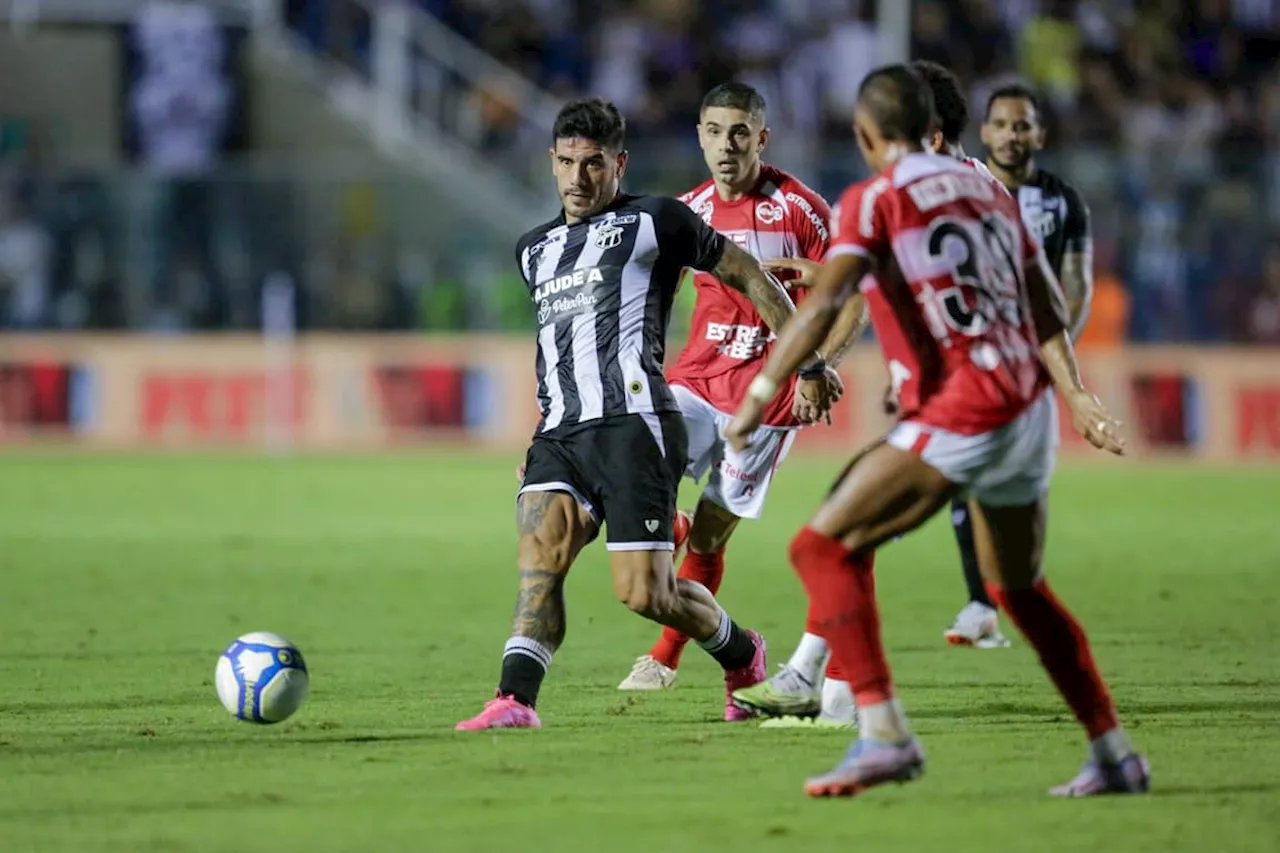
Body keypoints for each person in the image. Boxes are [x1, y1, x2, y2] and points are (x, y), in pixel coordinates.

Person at [723, 64, 1149, 798]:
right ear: (936, 128)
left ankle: (879, 732)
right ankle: (1113, 753)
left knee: (820, 545)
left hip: (966, 408)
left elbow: (825, 304)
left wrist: (759, 392)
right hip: (1027, 407)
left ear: (865, 135)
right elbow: (1044, 298)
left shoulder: (876, 197)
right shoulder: (988, 187)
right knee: (1019, 589)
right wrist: (1074, 392)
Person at [456, 98, 830, 730]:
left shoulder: (658, 220)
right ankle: (514, 701)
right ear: (551, 162)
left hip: (637, 427)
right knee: (539, 560)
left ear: (619, 164)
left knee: (643, 595)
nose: (578, 179)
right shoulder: (532, 249)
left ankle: (743, 652)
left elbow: (750, 276)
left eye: (593, 164)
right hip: (560, 433)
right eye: (568, 163)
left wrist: (810, 363)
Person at [731, 59, 1012, 723]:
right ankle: (822, 685)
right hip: (992, 402)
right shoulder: (988, 192)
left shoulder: (891, 193)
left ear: (927, 132)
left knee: (836, 534)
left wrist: (786, 376)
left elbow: (857, 289)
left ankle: (842, 699)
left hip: (954, 408)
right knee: (855, 534)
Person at [614, 82, 864, 725]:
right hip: (696, 382)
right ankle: (675, 624)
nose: (726, 145)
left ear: (761, 137)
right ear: (698, 135)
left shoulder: (801, 208)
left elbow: (852, 300)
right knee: (640, 486)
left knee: (711, 530)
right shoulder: (687, 210)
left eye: (740, 132)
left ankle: (666, 655)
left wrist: (819, 371)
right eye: (714, 131)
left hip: (771, 392)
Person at [939, 82, 1097, 649]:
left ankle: (996, 598)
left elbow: (1073, 291)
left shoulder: (1061, 202)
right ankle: (984, 601)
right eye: (1002, 124)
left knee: (995, 492)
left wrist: (1049, 362)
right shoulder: (957, 192)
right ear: (984, 132)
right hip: (970, 359)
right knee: (961, 479)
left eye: (1022, 125)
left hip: (1027, 364)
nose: (1012, 134)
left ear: (1039, 134)